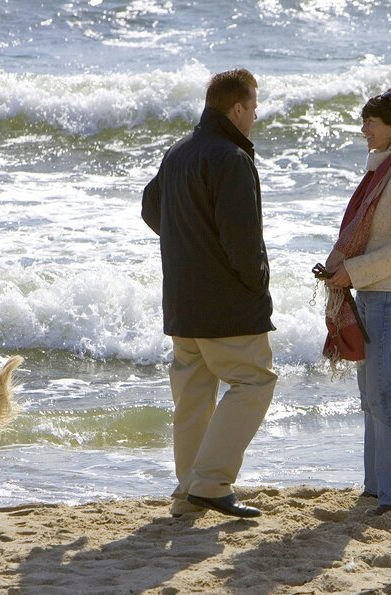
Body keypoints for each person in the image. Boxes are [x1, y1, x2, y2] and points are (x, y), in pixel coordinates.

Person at [141, 68, 277, 519]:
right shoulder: (231, 158)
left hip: (182, 300)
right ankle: (211, 482)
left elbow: (150, 208)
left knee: (194, 394)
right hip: (226, 305)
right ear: (236, 108)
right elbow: (242, 240)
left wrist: (191, 246)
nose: (255, 116)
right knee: (254, 381)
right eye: (253, 107)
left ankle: (188, 488)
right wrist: (258, 281)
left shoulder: (178, 153)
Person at [324, 86, 391, 515]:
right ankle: (377, 487)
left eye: (372, 120)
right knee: (369, 395)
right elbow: (365, 233)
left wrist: (354, 271)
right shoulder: (381, 172)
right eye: (366, 119)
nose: (364, 127)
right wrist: (338, 267)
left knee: (384, 394)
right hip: (372, 294)